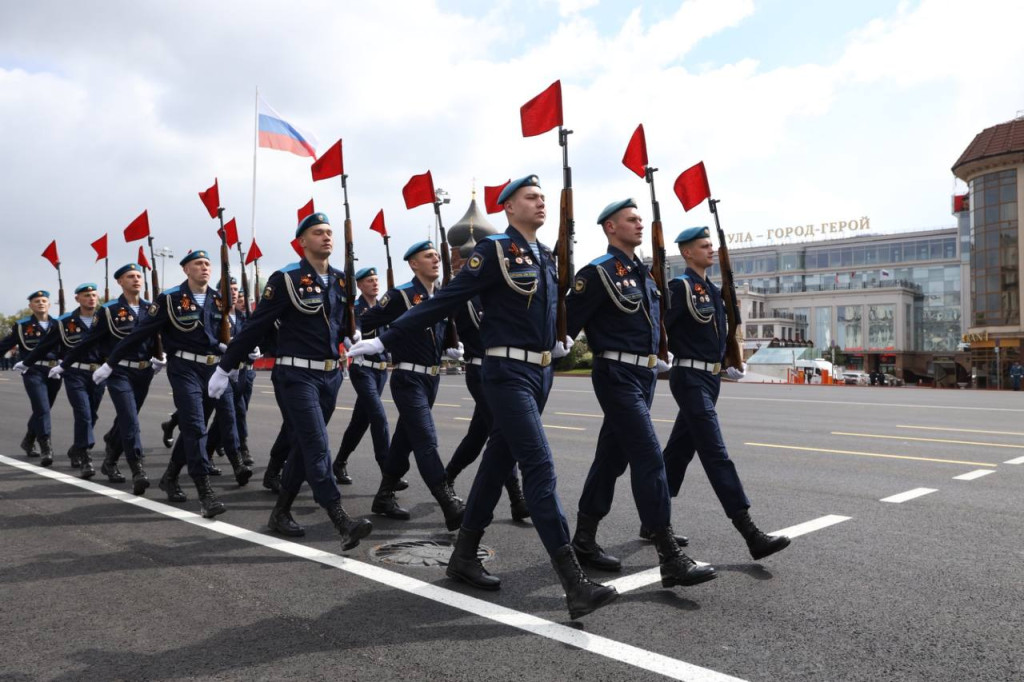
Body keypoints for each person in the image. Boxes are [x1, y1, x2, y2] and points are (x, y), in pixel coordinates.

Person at [348, 175, 617, 620]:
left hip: (540, 372)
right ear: (508, 207)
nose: (540, 203)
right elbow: (444, 300)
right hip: (506, 373)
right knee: (539, 465)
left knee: (496, 462)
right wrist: (385, 338)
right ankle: (574, 582)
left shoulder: (545, 254)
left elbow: (551, 307)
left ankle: (464, 555)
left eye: (543, 197)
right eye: (531, 197)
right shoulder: (494, 250)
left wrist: (561, 338)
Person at [563, 199, 716, 588]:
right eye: (631, 219)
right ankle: (669, 556)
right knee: (649, 457)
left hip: (643, 376)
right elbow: (565, 324)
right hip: (615, 375)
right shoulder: (598, 273)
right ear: (610, 227)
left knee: (611, 458)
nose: (639, 224)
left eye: (640, 219)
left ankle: (583, 538)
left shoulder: (644, 275)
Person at [209, 212, 372, 551]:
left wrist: (352, 333)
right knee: (317, 444)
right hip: (296, 376)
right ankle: (340, 518)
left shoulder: (342, 280)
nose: (326, 237)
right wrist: (225, 368)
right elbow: (255, 325)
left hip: (331, 375)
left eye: (329, 232)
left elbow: (339, 322)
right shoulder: (286, 279)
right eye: (318, 232)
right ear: (302, 242)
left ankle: (280, 512)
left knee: (302, 444)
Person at [662, 226, 791, 561]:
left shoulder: (714, 290)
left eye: (711, 245)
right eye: (704, 246)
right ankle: (749, 532)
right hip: (689, 376)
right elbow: (660, 327)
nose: (710, 250)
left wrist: (730, 360)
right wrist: (659, 356)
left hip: (710, 379)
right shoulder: (680, 287)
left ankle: (653, 520)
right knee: (715, 452)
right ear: (687, 253)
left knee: (678, 452)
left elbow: (723, 332)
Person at [96, 250, 248, 517]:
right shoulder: (170, 298)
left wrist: (235, 355)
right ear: (186, 269)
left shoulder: (218, 299)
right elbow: (141, 332)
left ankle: (171, 476)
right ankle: (205, 493)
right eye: (198, 264)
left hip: (214, 370)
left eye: (207, 263)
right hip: (184, 368)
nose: (204, 267)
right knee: (195, 426)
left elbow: (225, 335)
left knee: (210, 422)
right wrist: (111, 362)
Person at [357, 241, 465, 532]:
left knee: (404, 440)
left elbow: (439, 331)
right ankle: (448, 502)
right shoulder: (401, 295)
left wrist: (449, 346)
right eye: (428, 256)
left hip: (432, 379)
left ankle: (384, 496)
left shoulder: (441, 296)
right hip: (408, 378)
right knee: (425, 439)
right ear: (414, 264)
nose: (435, 260)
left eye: (436, 256)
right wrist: (372, 344)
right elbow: (366, 321)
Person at [58, 265, 160, 485]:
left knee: (126, 419)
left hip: (144, 372)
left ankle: (110, 460)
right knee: (130, 420)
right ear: (120, 282)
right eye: (130, 276)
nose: (136, 279)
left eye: (138, 276)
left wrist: (163, 355)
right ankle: (137, 468)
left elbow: (160, 337)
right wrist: (65, 364)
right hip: (118, 371)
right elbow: (89, 340)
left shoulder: (151, 308)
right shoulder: (109, 310)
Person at [443, 292, 530, 523]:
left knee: (477, 435)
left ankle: (446, 478)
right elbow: (440, 323)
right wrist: (446, 345)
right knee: (502, 433)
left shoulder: (496, 295)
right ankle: (517, 498)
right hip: (480, 371)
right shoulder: (464, 298)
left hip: (502, 369)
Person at [20, 283, 107, 475]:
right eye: (86, 295)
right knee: (83, 414)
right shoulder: (65, 322)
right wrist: (27, 362)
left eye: (94, 295)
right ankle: (84, 456)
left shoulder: (105, 317)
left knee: (92, 415)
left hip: (98, 374)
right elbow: (45, 345)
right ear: (77, 298)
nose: (91, 298)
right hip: (74, 373)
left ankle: (77, 448)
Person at [333, 266, 391, 485]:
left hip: (381, 371)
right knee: (378, 416)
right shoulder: (355, 308)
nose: (374, 283)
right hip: (362, 368)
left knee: (361, 421)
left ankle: (339, 462)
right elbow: (348, 333)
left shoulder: (384, 307)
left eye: (376, 280)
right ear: (359, 285)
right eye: (369, 281)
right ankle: (388, 471)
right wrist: (352, 337)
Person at [3, 290, 62, 465]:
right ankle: (46, 447)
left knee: (43, 409)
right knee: (42, 408)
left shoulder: (59, 324)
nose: (41, 303)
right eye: (37, 301)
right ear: (30, 306)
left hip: (54, 371)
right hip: (33, 370)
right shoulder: (22, 326)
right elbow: (5, 345)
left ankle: (28, 440)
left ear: (49, 304)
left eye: (44, 300)